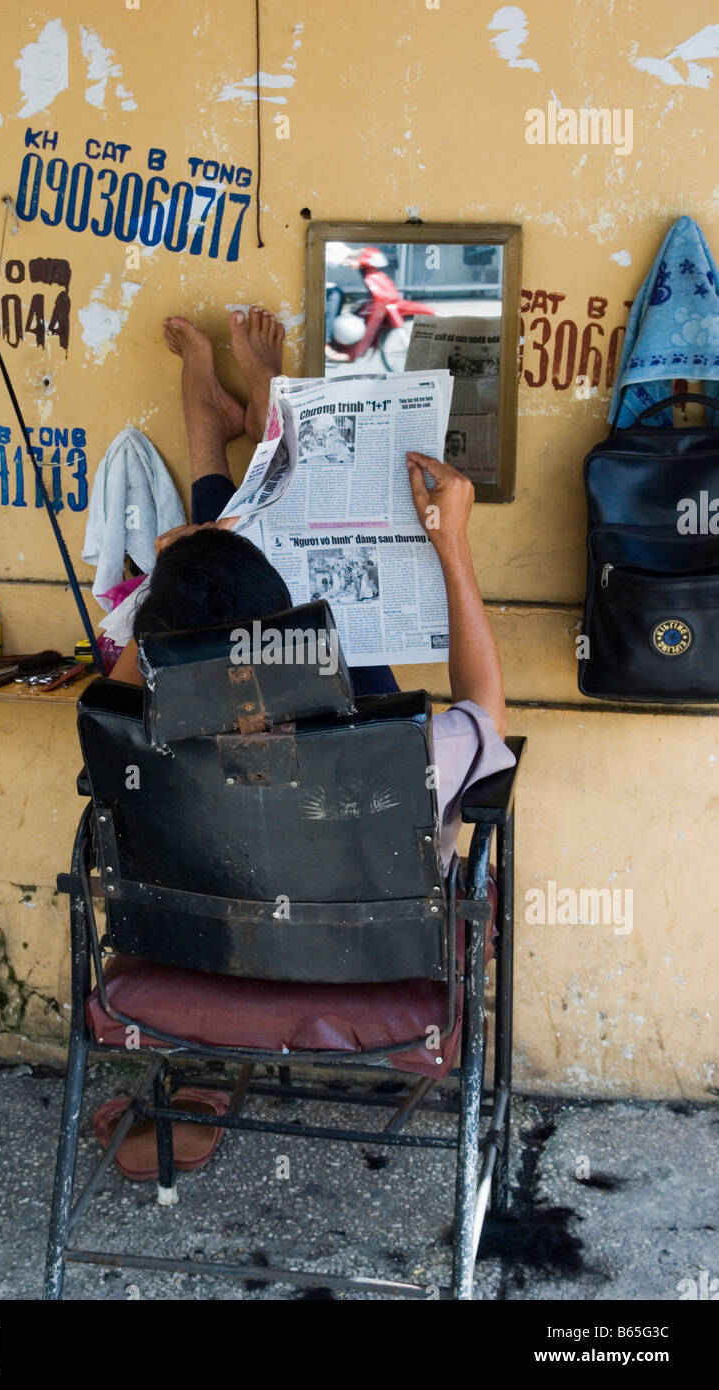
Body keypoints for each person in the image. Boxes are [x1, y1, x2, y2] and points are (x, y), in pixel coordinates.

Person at [102, 306, 513, 1179]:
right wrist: (455, 549)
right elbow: (486, 710)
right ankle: (243, 429)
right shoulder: (404, 749)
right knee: (374, 699)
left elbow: (123, 683)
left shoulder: (128, 740)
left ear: (155, 647)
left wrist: (173, 579)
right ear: (299, 630)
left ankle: (225, 434)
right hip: (369, 979)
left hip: (193, 967)